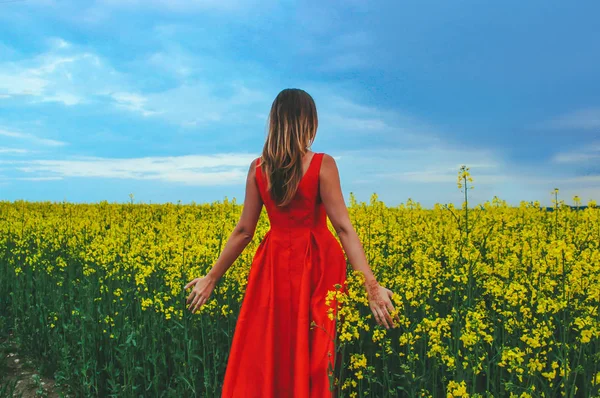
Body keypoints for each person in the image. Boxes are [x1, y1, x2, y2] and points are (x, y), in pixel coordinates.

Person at [184, 88, 399, 397]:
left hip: (272, 265)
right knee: (314, 346)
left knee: (270, 344)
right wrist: (372, 287)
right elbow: (344, 229)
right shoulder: (323, 164)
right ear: (308, 122)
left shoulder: (258, 168)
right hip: (318, 265)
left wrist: (211, 278)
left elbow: (244, 231)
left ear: (275, 122)